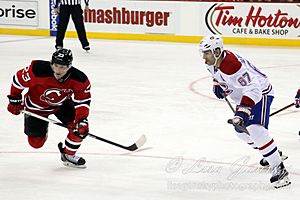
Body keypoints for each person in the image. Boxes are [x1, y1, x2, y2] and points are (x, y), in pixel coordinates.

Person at [198, 35, 291, 188]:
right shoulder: (213, 61)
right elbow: (216, 73)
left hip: (260, 93)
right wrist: (217, 83)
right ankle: (271, 153)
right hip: (244, 95)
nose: (203, 57)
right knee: (241, 132)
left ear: (216, 51)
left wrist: (243, 112)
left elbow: (254, 89)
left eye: (206, 53)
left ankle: (279, 168)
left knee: (255, 130)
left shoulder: (232, 65)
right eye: (203, 53)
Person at [7, 48, 91, 168]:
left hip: (61, 105)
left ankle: (68, 155)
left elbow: (82, 101)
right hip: (36, 108)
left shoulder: (79, 79)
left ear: (69, 66)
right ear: (51, 63)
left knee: (79, 129)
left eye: (62, 67)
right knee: (36, 143)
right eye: (55, 65)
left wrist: (82, 119)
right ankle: (43, 128)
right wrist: (15, 99)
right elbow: (18, 80)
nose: (58, 70)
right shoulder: (38, 70)